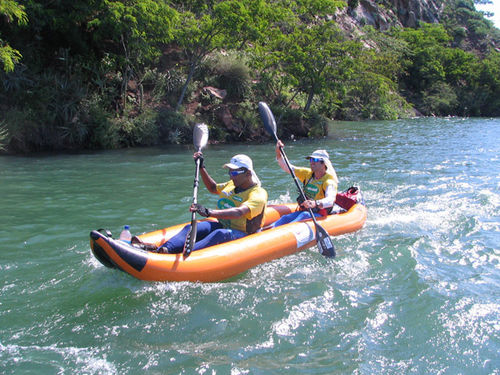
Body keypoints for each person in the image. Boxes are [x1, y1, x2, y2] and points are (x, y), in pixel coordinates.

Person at [157, 153, 268, 253]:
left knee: (220, 234)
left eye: (234, 172)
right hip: (224, 225)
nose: (231, 175)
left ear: (248, 174)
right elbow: (213, 188)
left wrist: (208, 212)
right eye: (229, 171)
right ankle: (163, 250)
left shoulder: (258, 194)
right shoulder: (232, 184)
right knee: (191, 228)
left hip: (244, 234)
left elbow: (239, 212)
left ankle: (181, 256)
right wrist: (201, 167)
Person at [271, 140, 338, 227]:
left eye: (315, 159)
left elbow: (330, 200)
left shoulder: (329, 181)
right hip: (306, 211)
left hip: (319, 214)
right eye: (311, 159)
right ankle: (266, 231)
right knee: (285, 218)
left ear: (323, 163)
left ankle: (282, 233)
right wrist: (278, 153)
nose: (312, 162)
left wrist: (315, 203)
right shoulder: (307, 174)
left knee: (304, 216)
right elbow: (287, 167)